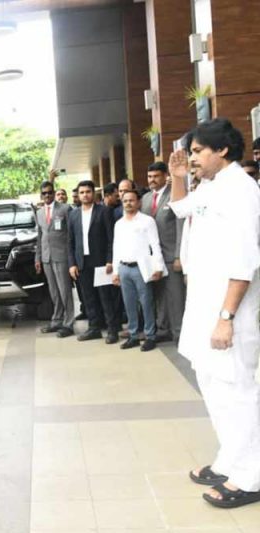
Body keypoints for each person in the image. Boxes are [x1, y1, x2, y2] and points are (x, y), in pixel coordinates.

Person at [168, 119, 260, 508]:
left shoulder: (241, 189)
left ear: (222, 150)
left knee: (237, 391)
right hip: (203, 305)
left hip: (228, 311)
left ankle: (252, 475)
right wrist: (177, 178)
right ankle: (231, 460)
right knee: (212, 386)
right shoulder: (210, 185)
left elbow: (245, 260)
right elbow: (179, 208)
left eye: (197, 152)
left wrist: (226, 317)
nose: (191, 159)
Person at [68, 180, 121, 343]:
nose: (85, 195)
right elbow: (70, 242)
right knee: (88, 298)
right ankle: (94, 328)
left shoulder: (104, 211)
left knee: (106, 297)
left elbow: (111, 238)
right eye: (82, 192)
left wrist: (110, 260)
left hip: (101, 262)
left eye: (88, 192)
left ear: (94, 193)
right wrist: (72, 264)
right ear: (78, 195)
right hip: (82, 262)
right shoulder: (73, 214)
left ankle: (112, 330)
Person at [111, 188, 164, 351]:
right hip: (124, 268)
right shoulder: (119, 224)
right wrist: (115, 271)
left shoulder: (147, 221)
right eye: (125, 201)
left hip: (141, 268)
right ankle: (133, 335)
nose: (128, 203)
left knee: (146, 303)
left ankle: (150, 336)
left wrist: (158, 267)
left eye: (131, 200)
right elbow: (116, 248)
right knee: (129, 304)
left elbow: (155, 245)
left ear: (139, 202)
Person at [141, 161, 186, 343]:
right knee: (159, 296)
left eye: (156, 176)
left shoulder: (174, 195)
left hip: (170, 255)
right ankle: (163, 328)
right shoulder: (145, 199)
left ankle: (179, 333)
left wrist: (178, 256)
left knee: (176, 296)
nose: (152, 180)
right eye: (149, 176)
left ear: (165, 176)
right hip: (153, 258)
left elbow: (181, 227)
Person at [35, 180, 75, 337]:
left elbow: (71, 234)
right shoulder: (39, 213)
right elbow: (40, 237)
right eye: (44, 193)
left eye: (50, 192)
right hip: (46, 257)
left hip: (61, 255)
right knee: (54, 291)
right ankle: (57, 320)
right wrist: (38, 257)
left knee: (65, 291)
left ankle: (69, 323)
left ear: (54, 193)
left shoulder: (65, 209)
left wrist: (71, 257)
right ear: (41, 195)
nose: (47, 195)